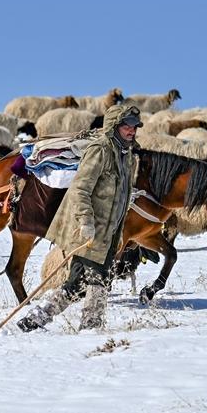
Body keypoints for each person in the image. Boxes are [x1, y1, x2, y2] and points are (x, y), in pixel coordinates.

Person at [18, 104, 143, 332]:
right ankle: (91, 328)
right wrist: (85, 221)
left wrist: (126, 198)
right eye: (127, 125)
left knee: (75, 284)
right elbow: (80, 189)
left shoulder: (125, 155)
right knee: (98, 280)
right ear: (114, 126)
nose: (132, 130)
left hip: (108, 233)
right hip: (90, 231)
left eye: (135, 126)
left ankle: (35, 319)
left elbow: (115, 188)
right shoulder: (100, 150)